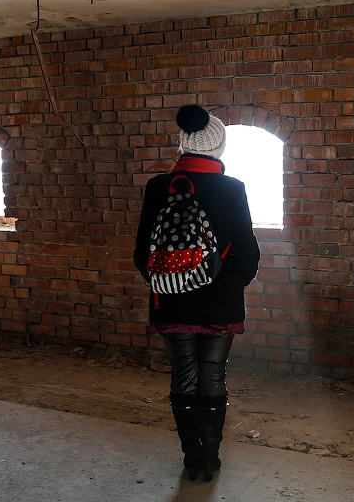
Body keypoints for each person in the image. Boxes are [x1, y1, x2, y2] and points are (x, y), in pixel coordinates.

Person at [134, 104, 261, 482]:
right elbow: (248, 251)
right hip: (221, 299)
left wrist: (166, 281)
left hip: (171, 298)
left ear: (183, 143)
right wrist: (233, 282)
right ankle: (210, 458)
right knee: (213, 374)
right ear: (218, 147)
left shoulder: (158, 187)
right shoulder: (232, 188)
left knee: (183, 374)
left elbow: (141, 253)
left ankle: (192, 458)